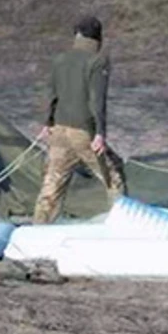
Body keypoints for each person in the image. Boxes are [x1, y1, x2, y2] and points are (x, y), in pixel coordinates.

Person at [33, 16, 127, 224]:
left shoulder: (60, 59)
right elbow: (97, 99)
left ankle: (37, 231)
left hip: (59, 130)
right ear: (98, 36)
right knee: (113, 175)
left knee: (52, 184)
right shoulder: (97, 61)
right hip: (84, 132)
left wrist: (47, 124)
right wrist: (100, 133)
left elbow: (51, 94)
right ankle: (123, 224)